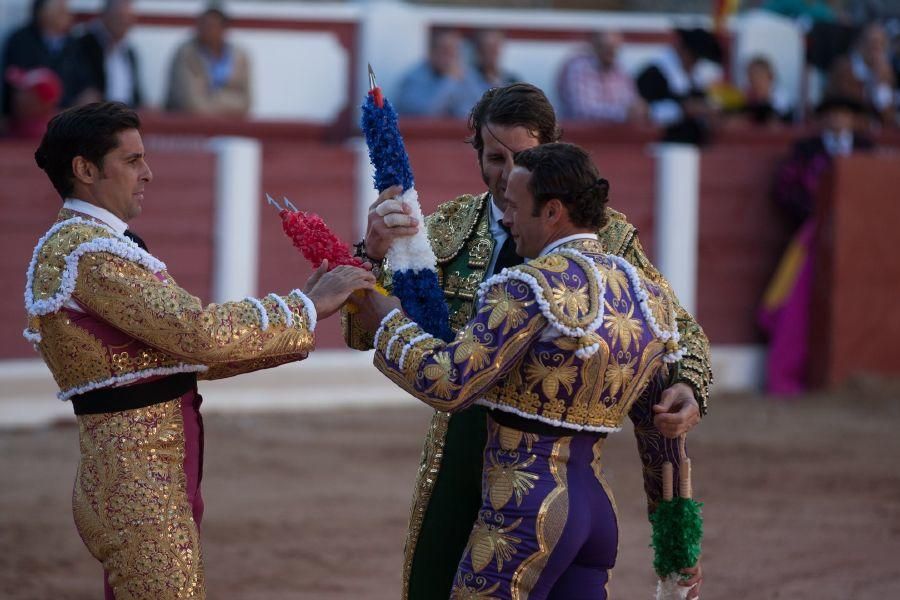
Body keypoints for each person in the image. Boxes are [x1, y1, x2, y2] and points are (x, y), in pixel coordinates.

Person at [343, 83, 711, 600]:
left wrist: (689, 385)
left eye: (522, 157)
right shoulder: (448, 226)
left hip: (535, 458)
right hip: (462, 448)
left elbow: (680, 336)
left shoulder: (610, 238)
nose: (504, 172)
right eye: (494, 157)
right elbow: (360, 334)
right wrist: (373, 254)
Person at [24, 101, 374, 599]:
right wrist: (306, 306)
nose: (147, 173)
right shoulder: (89, 252)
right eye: (132, 160)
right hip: (138, 480)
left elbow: (189, 355)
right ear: (84, 170)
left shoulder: (91, 245)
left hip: (140, 468)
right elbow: (199, 335)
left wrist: (309, 308)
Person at [760, 95, 874, 395]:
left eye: (844, 113)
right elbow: (784, 190)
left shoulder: (865, 149)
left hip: (861, 244)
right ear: (823, 119)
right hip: (811, 240)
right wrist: (816, 218)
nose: (838, 120)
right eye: (833, 113)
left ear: (853, 120)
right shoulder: (805, 151)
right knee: (798, 306)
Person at [1, 0, 96, 118]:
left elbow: (88, 86)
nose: (68, 15)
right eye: (60, 10)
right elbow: (19, 89)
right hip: (31, 121)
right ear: (42, 13)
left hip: (68, 118)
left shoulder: (74, 44)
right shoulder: (21, 41)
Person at [636, 27, 724, 144]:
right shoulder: (654, 74)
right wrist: (682, 110)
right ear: (683, 51)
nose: (695, 63)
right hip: (664, 143)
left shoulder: (694, 79)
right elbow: (646, 113)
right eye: (694, 57)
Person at [165, 5, 251, 116]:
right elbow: (191, 103)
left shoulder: (240, 56)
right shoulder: (186, 54)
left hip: (229, 125)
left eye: (212, 26)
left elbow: (245, 103)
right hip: (187, 126)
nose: (207, 30)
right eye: (203, 25)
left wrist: (213, 97)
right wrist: (228, 101)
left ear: (223, 29)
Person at [556, 30, 645, 122]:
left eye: (614, 48)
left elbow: (633, 104)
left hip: (616, 133)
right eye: (606, 46)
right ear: (594, 43)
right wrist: (623, 112)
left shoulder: (620, 70)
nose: (611, 52)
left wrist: (639, 110)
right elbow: (582, 111)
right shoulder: (578, 67)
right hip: (579, 135)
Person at [394, 29, 485, 118]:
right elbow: (426, 112)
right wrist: (449, 81)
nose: (451, 56)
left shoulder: (467, 75)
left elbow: (482, 108)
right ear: (431, 52)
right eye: (445, 50)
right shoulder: (414, 78)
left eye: (455, 50)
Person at [826, 22, 897, 125]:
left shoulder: (886, 73)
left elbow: (889, 118)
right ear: (860, 44)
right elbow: (845, 108)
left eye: (880, 45)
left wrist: (881, 86)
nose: (875, 50)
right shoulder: (843, 68)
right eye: (872, 43)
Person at [76, 0, 142, 107]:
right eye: (120, 17)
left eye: (129, 18)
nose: (125, 23)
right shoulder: (84, 45)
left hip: (125, 116)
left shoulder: (130, 52)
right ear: (105, 16)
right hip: (97, 116)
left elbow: (137, 96)